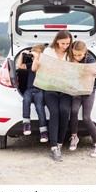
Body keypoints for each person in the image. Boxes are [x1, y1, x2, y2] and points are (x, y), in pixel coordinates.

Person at [32, 30, 73, 161]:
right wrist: (36, 64)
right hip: (50, 88)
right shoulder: (48, 52)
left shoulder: (71, 52)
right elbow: (37, 69)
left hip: (66, 89)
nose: (65, 46)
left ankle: (60, 143)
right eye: (63, 43)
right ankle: (54, 148)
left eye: (68, 43)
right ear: (57, 41)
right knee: (54, 112)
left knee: (65, 111)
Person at [69, 41, 96, 157]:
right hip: (77, 91)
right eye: (75, 55)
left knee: (86, 117)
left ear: (85, 52)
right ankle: (74, 136)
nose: (77, 57)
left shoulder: (89, 60)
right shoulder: (71, 60)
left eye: (79, 55)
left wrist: (95, 72)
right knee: (73, 111)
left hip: (89, 91)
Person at [17, 44, 48, 143]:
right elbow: (19, 66)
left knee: (40, 108)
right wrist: (22, 54)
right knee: (25, 101)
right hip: (29, 90)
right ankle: (26, 124)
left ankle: (43, 131)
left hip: (39, 90)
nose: (34, 54)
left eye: (37, 52)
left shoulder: (43, 65)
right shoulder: (31, 64)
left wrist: (37, 57)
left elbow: (35, 67)